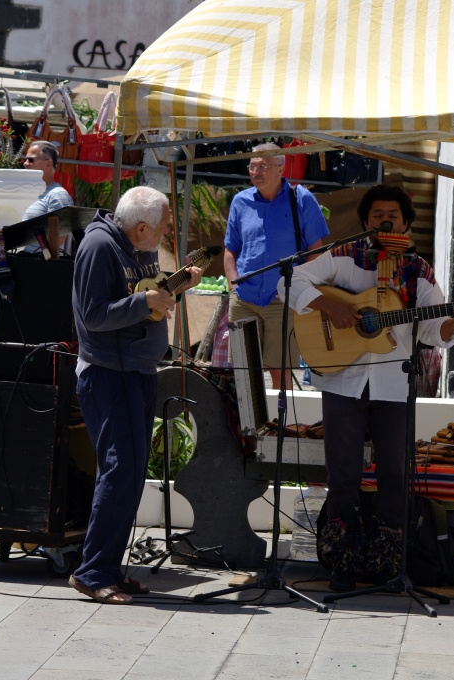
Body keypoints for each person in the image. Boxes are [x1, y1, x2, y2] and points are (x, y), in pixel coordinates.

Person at [279, 184, 454, 590]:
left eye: (393, 215)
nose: (385, 221)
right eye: (377, 215)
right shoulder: (344, 256)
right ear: (365, 222)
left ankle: (388, 563)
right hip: (342, 379)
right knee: (343, 474)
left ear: (406, 223)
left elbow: (433, 330)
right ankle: (343, 562)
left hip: (393, 385)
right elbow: (289, 281)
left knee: (394, 473)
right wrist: (331, 306)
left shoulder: (417, 271)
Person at [68, 186, 202, 605]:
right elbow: (93, 315)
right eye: (162, 230)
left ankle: (107, 568)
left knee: (129, 473)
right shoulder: (99, 247)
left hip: (137, 372)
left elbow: (149, 296)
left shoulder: (137, 245)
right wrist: (145, 301)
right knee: (120, 471)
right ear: (141, 227)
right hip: (110, 375)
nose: (165, 236)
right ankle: (92, 572)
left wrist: (173, 288)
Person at [224, 142, 329, 389]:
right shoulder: (240, 201)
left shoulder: (301, 199)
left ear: (281, 168)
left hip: (282, 300)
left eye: (262, 166)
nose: (255, 172)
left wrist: (296, 288)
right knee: (243, 370)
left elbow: (316, 252)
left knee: (280, 372)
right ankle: (246, 416)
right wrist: (232, 286)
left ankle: (281, 416)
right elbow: (230, 250)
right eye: (252, 166)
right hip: (245, 297)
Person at [22, 141, 75, 220]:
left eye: (31, 160)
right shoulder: (26, 193)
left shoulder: (57, 194)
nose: (25, 163)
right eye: (25, 159)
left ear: (48, 164)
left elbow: (61, 227)